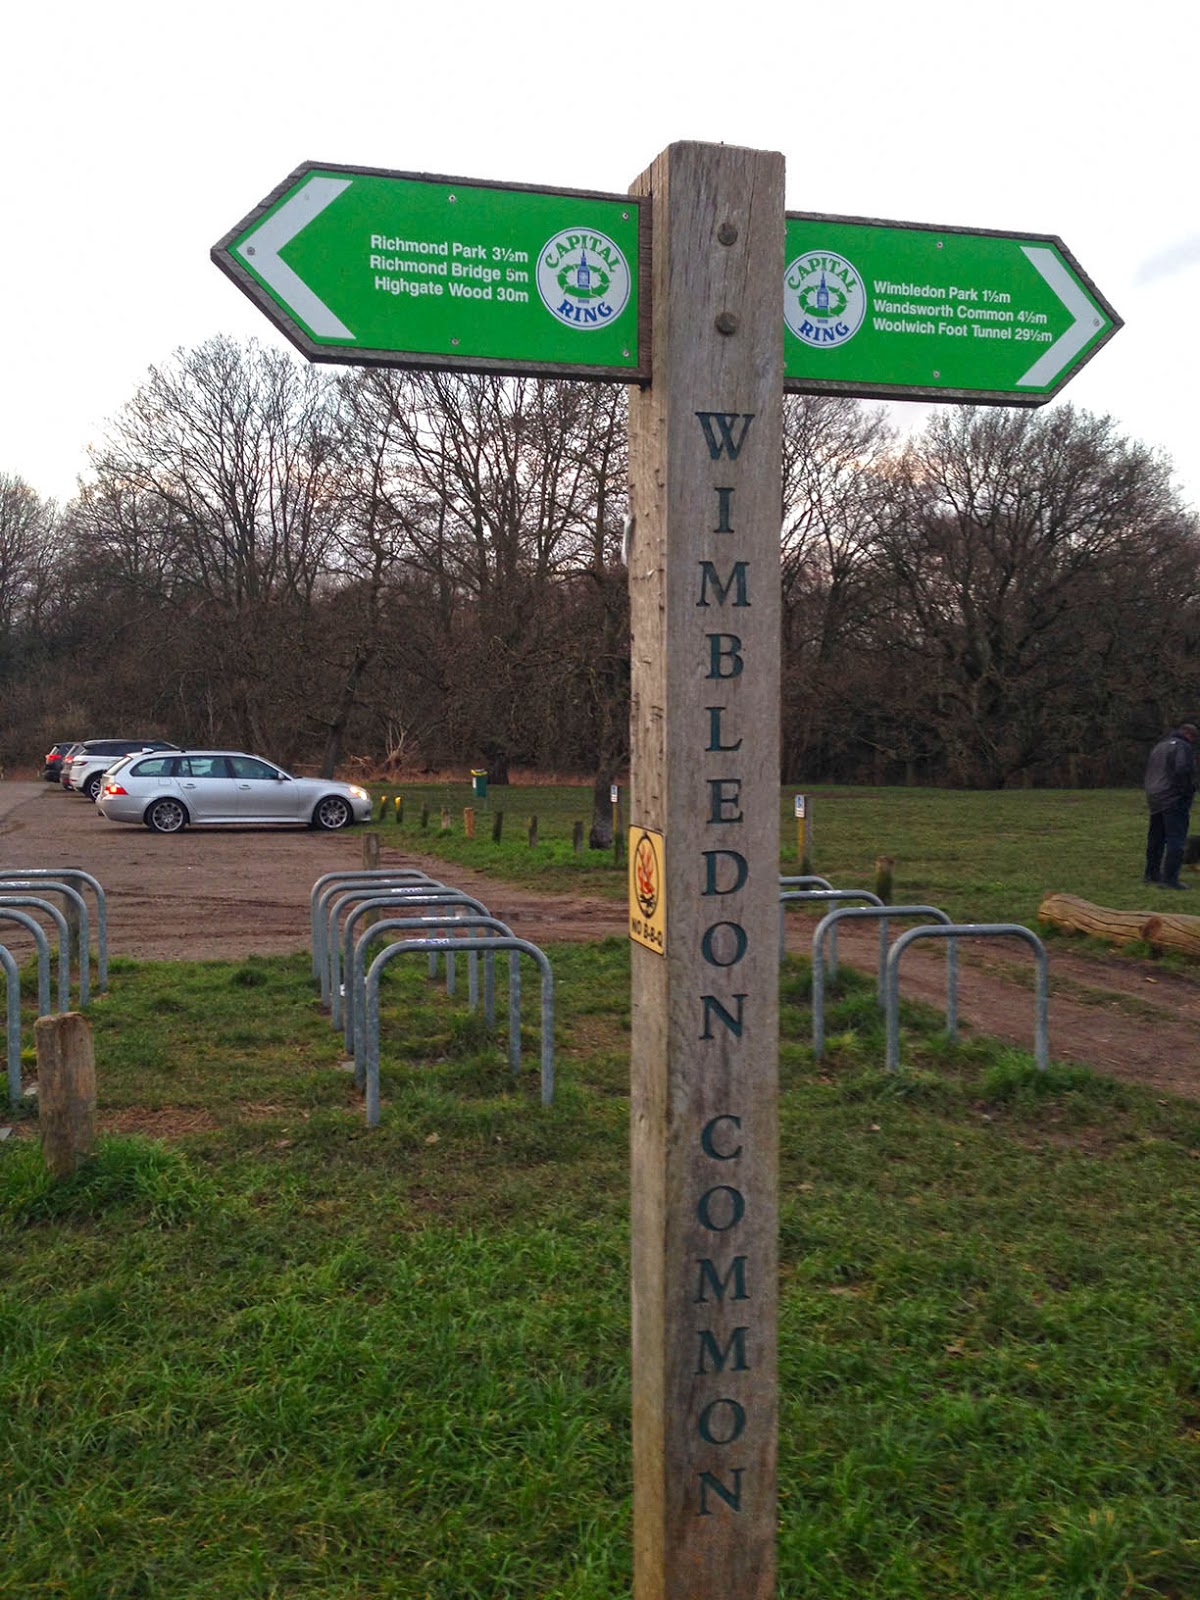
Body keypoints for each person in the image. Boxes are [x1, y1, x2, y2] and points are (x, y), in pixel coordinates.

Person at [1144, 722, 1197, 889]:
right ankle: (1171, 879)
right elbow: (1182, 770)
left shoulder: (1160, 746)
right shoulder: (1183, 746)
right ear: (1190, 736)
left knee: (1156, 838)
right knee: (1176, 839)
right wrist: (1187, 790)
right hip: (1173, 798)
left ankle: (1151, 874)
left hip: (1155, 796)